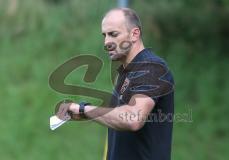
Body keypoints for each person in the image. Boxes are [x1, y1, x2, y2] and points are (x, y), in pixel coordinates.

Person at [57, 8, 174, 160]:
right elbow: (119, 119)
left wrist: (83, 109)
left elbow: (133, 118)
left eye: (113, 34)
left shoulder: (151, 67)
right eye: (104, 35)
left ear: (134, 34)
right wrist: (84, 114)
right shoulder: (126, 73)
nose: (107, 42)